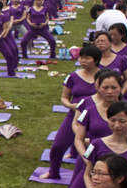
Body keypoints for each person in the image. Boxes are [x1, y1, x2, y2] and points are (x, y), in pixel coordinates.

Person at [41, 45, 101, 180]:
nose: (82, 61)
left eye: (87, 58)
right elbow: (64, 98)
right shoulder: (73, 76)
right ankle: (53, 172)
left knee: (92, 149)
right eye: (81, 58)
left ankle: (91, 176)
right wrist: (70, 106)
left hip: (96, 118)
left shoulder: (103, 76)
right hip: (74, 116)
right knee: (57, 147)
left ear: (96, 60)